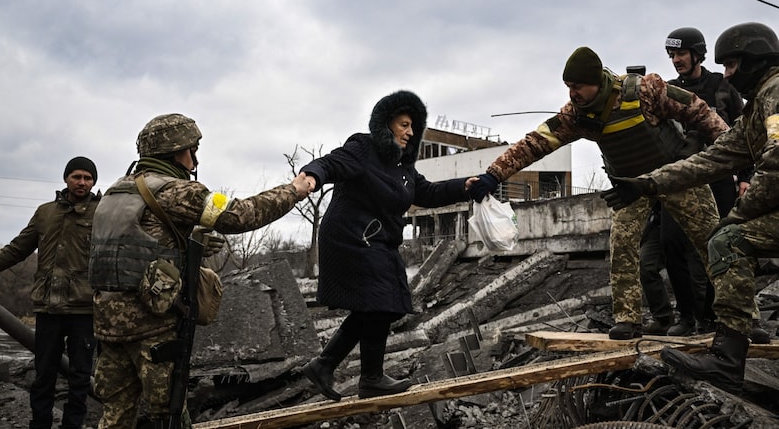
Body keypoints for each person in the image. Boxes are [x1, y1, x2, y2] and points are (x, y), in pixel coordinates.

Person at [468, 46, 728, 340]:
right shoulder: (576, 115)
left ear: (595, 81)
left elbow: (699, 111)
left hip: (676, 177)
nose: (572, 94)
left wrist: (732, 153)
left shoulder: (645, 90)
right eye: (568, 88)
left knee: (714, 242)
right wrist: (493, 175)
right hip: (630, 188)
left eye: (577, 87)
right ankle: (628, 319)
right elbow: (535, 143)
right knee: (622, 246)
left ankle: (740, 316)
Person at [90, 113, 311, 428]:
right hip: (152, 329)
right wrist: (293, 190)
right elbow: (239, 214)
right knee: (168, 416)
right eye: (192, 149)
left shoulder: (115, 192)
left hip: (107, 327)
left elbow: (130, 248)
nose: (194, 158)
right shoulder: (178, 191)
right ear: (177, 150)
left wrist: (184, 245)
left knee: (115, 416)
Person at [602, 22, 779, 392]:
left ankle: (728, 359)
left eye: (732, 65)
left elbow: (776, 161)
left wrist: (739, 214)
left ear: (755, 60)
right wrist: (649, 184)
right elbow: (715, 157)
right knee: (712, 241)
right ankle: (725, 350)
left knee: (727, 240)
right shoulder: (758, 104)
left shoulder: (775, 92)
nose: (728, 74)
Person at [299, 90, 477, 401]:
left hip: (376, 241)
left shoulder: (403, 169)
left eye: (413, 128)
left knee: (379, 304)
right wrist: (311, 177)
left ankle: (327, 365)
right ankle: (369, 378)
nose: (410, 133)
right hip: (349, 238)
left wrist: (465, 187)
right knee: (380, 300)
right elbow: (331, 163)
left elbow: (429, 193)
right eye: (404, 124)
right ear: (386, 124)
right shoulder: (363, 148)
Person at [641, 27, 750, 337]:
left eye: (681, 54)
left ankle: (718, 317)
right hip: (681, 180)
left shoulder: (721, 87)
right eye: (671, 55)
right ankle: (686, 317)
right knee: (671, 245)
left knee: (722, 245)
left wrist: (745, 178)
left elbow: (742, 134)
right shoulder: (669, 90)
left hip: (719, 179)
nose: (676, 60)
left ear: (697, 54)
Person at [0, 156, 101, 429]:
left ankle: (73, 426)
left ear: (93, 182)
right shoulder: (45, 212)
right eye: (76, 176)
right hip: (48, 308)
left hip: (85, 310)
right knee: (43, 374)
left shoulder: (102, 213)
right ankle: (40, 425)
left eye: (87, 178)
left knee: (80, 377)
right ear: (66, 178)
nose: (82, 182)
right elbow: (16, 249)